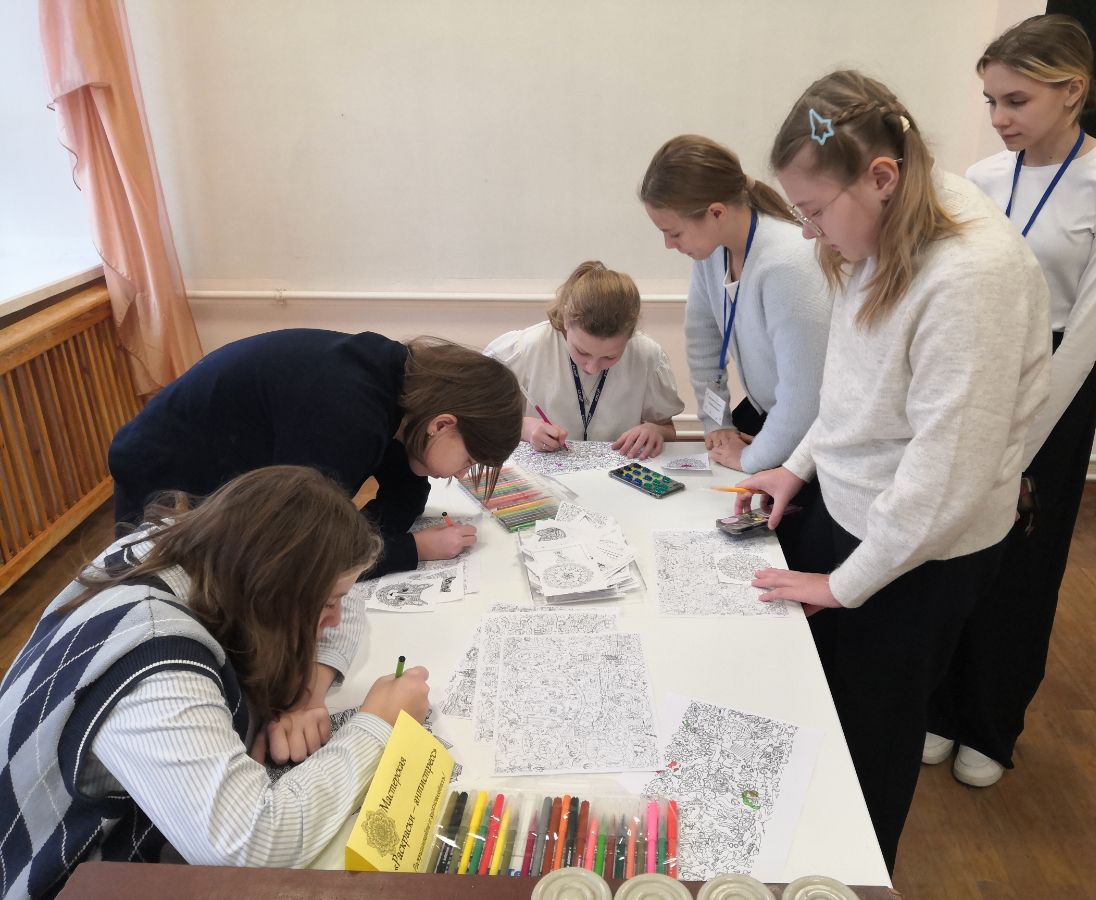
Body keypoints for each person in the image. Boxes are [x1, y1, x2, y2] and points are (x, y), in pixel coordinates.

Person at [735, 70, 1051, 871]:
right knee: (812, 708)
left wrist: (844, 585)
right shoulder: (884, 224)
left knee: (872, 740)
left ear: (881, 175)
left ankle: (851, 880)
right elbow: (858, 389)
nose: (810, 234)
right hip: (858, 517)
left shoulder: (971, 276)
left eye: (813, 211)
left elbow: (946, 482)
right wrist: (799, 467)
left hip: (921, 553)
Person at [0, 466, 432, 898]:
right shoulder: (156, 664)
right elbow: (252, 845)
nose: (335, 619)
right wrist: (379, 724)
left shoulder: (181, 546)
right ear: (272, 595)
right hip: (63, 880)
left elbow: (347, 601)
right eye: (326, 604)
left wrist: (304, 695)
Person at [925, 14, 1096, 788]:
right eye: (991, 101)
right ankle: (939, 707)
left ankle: (990, 724)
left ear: (1072, 90)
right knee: (954, 541)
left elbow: (1087, 326)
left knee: (1024, 558)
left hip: (1057, 380)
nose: (999, 118)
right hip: (978, 367)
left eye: (1015, 100)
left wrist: (1019, 442)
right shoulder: (982, 178)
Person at [108, 331, 524, 576]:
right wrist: (413, 550)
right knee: (160, 607)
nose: (461, 475)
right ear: (442, 424)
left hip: (210, 462)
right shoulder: (348, 418)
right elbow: (298, 555)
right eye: (469, 460)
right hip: (165, 481)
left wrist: (384, 536)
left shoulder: (402, 384)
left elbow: (401, 489)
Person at [640, 134, 831, 473]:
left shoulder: (788, 264)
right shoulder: (713, 252)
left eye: (675, 233)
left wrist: (750, 460)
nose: (669, 244)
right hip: (771, 415)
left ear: (716, 212)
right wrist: (716, 423)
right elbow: (703, 342)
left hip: (814, 433)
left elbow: (804, 399)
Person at [485, 260, 685, 459]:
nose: (592, 367)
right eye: (582, 352)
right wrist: (524, 427)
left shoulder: (646, 356)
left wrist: (655, 431)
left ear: (630, 334)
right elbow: (482, 421)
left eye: (610, 356)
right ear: (566, 319)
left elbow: (667, 428)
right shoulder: (526, 350)